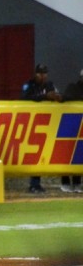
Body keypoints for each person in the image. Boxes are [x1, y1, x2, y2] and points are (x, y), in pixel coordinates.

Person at [21, 64, 62, 193]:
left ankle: (37, 184)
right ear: (35, 74)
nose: (42, 76)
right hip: (31, 124)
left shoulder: (50, 85)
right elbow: (24, 99)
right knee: (34, 154)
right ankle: (34, 184)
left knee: (44, 153)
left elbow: (57, 96)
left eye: (44, 73)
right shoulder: (29, 85)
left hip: (47, 124)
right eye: (40, 73)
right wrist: (45, 97)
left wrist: (57, 97)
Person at [60, 69, 83, 193]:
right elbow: (66, 98)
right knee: (66, 154)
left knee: (78, 154)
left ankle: (77, 183)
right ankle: (65, 182)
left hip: (80, 126)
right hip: (69, 124)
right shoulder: (73, 87)